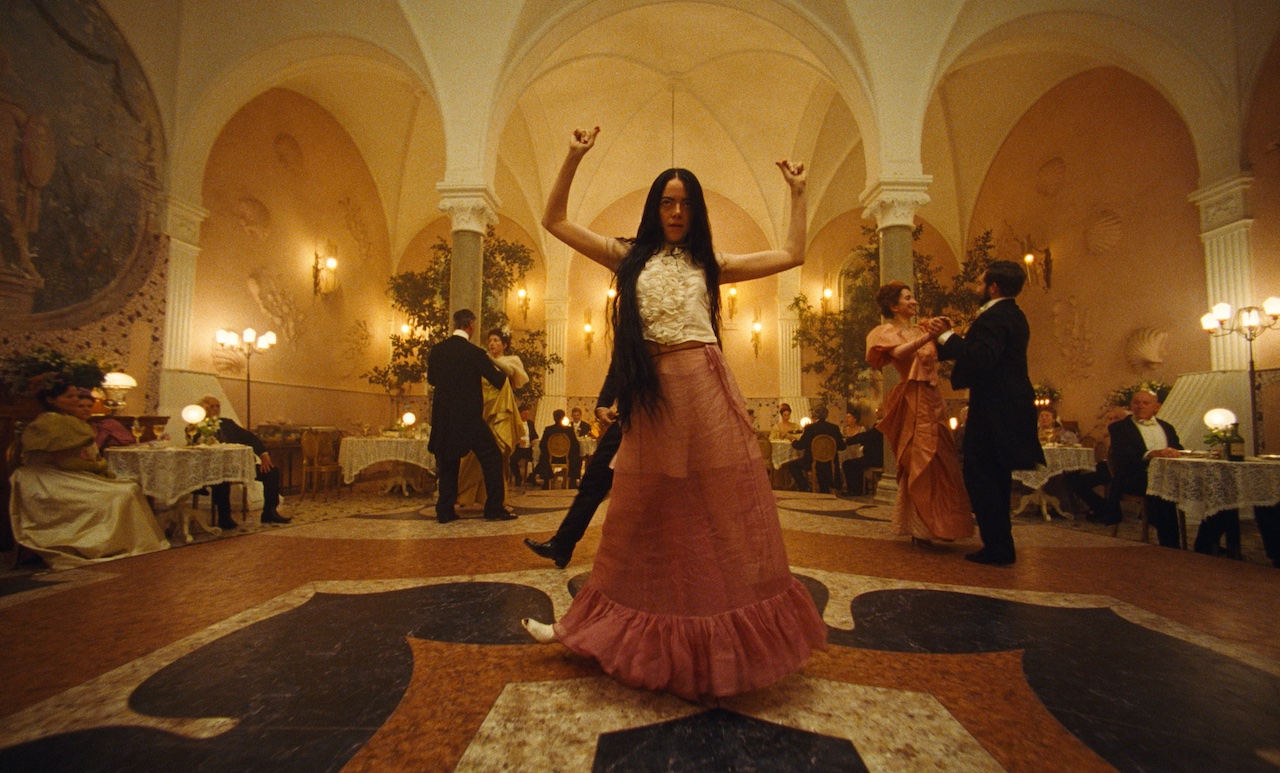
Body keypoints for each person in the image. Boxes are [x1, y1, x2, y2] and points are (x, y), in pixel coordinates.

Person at [522, 126, 826, 702]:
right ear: (654, 207)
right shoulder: (628, 255)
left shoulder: (710, 262)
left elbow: (793, 254)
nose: (677, 212)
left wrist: (798, 193)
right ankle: (583, 628)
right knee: (637, 511)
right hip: (654, 394)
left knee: (718, 507)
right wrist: (573, 156)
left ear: (696, 210)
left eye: (685, 203)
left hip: (706, 388)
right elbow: (554, 220)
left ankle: (720, 641)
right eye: (668, 202)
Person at [934, 260, 1044, 565]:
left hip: (997, 409)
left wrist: (946, 336)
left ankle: (998, 549)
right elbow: (981, 351)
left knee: (983, 476)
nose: (977, 287)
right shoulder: (1011, 314)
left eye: (981, 282)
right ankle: (999, 546)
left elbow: (982, 357)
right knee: (994, 477)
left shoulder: (996, 316)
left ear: (993, 287)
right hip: (1004, 406)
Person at [10, 377, 168, 569]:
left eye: (76, 396)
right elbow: (67, 462)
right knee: (121, 493)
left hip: (60, 473)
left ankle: (121, 544)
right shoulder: (51, 423)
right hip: (44, 478)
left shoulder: (65, 421)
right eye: (69, 396)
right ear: (51, 399)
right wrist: (99, 467)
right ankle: (102, 546)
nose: (76, 400)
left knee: (130, 488)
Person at [868, 281, 974, 545]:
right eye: (907, 298)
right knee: (918, 459)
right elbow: (898, 353)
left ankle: (943, 524)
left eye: (913, 297)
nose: (914, 301)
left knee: (942, 459)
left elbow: (947, 347)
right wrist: (928, 337)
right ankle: (920, 527)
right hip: (912, 398)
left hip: (933, 398)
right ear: (893, 306)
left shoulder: (922, 328)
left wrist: (943, 330)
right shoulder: (887, 332)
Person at [525, 364, 622, 568]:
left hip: (662, 420)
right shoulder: (627, 343)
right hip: (626, 421)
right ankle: (562, 545)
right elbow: (616, 371)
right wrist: (602, 405)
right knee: (593, 481)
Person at [427, 309, 515, 523]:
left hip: (444, 418)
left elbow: (432, 380)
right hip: (469, 419)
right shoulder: (475, 353)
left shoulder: (437, 350)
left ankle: (445, 511)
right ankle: (493, 508)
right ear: (471, 326)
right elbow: (497, 379)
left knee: (448, 463)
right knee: (492, 457)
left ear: (454, 324)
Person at [1102, 389, 1186, 548]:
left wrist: (1175, 452)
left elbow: (1178, 448)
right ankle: (1170, 545)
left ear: (1156, 407)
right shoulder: (1119, 428)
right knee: (1162, 489)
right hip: (1133, 476)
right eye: (1136, 402)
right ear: (1131, 405)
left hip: (1166, 476)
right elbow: (1123, 455)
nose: (1140, 406)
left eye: (1145, 403)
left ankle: (1207, 542)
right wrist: (1151, 454)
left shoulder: (1167, 427)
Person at [454, 327, 528, 506]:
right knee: (474, 455)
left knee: (496, 455)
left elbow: (511, 373)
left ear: (504, 344)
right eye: (490, 340)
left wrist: (488, 358)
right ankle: (467, 494)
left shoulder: (511, 360)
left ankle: (496, 499)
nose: (492, 344)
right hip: (483, 409)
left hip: (500, 411)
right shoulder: (482, 362)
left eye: (496, 340)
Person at [197, 396, 289, 528]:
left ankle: (269, 512)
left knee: (272, 472)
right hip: (215, 469)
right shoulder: (197, 426)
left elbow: (249, 437)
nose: (216, 409)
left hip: (237, 467)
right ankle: (224, 518)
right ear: (203, 408)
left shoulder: (227, 424)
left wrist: (264, 455)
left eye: (218, 406)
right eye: (212, 406)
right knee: (222, 478)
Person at [785, 404, 845, 493]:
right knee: (823, 466)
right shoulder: (834, 428)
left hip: (812, 461)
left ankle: (805, 486)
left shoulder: (810, 428)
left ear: (815, 415)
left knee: (792, 465)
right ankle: (827, 487)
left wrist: (793, 440)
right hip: (830, 462)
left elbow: (800, 445)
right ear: (826, 415)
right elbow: (842, 446)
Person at [531, 409, 581, 489]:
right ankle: (572, 481)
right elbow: (576, 446)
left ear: (554, 418)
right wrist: (566, 452)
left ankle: (546, 481)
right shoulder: (569, 430)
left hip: (552, 458)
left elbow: (542, 445)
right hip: (566, 458)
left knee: (544, 457)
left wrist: (552, 452)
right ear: (563, 418)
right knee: (577, 458)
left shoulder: (548, 430)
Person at [842, 415, 884, 496]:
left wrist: (847, 441)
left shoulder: (879, 428)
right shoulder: (881, 428)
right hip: (875, 458)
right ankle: (861, 488)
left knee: (847, 464)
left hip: (874, 459)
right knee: (855, 463)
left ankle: (855, 490)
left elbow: (864, 436)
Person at [509, 405, 538, 484]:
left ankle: (532, 477)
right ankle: (518, 477)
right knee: (512, 459)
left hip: (528, 449)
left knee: (537, 459)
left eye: (527, 414)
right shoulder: (515, 424)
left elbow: (535, 435)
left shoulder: (530, 423)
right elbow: (511, 435)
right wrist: (517, 441)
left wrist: (533, 441)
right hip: (518, 449)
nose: (526, 416)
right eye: (524, 414)